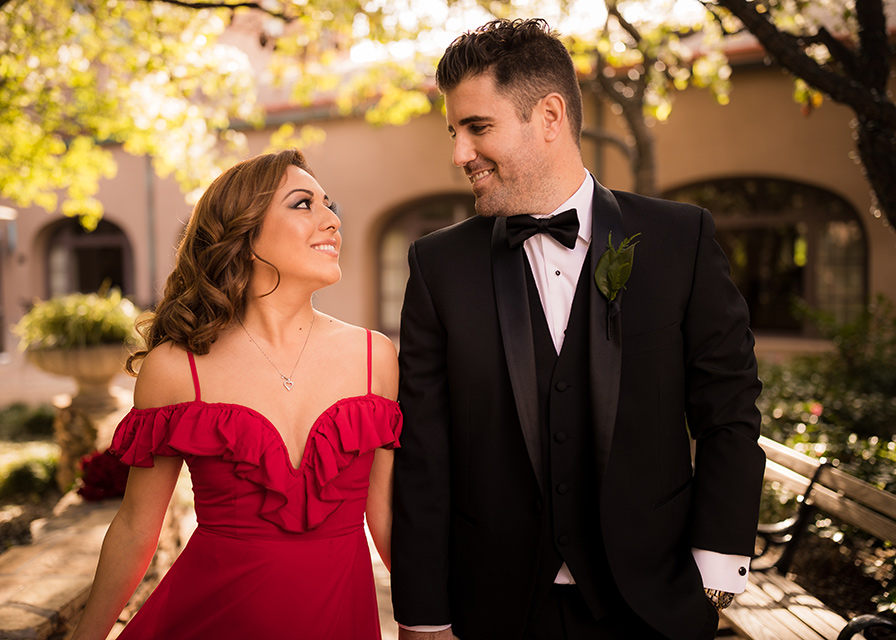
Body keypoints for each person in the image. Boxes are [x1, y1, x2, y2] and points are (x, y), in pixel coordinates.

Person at [391, 18, 765, 640]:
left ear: (550, 115)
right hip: (496, 605)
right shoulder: (438, 265)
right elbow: (425, 454)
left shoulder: (679, 239)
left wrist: (714, 570)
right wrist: (424, 615)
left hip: (656, 601)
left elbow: (728, 408)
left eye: (478, 128)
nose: (459, 154)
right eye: (454, 131)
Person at [70, 149, 401, 640]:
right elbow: (137, 528)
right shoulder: (176, 368)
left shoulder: (375, 356)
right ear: (245, 235)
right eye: (303, 204)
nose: (332, 221)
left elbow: (386, 518)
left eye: (329, 205)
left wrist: (438, 619)